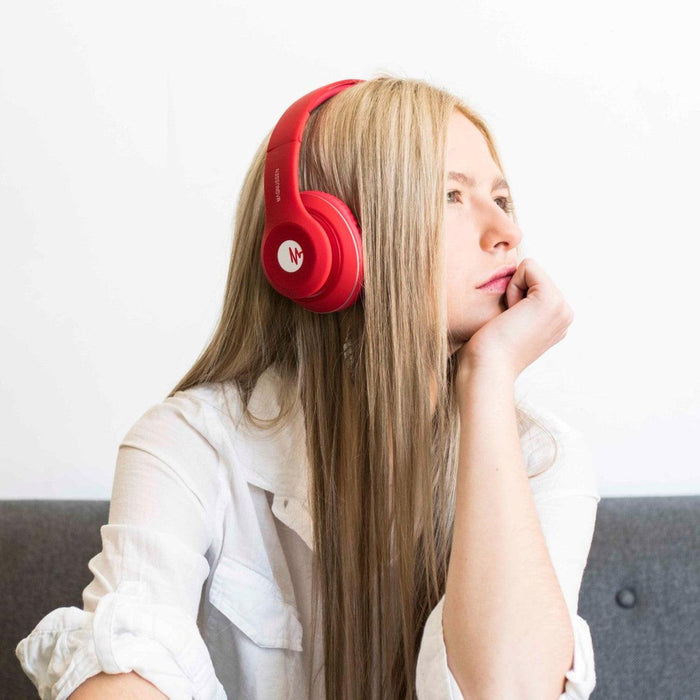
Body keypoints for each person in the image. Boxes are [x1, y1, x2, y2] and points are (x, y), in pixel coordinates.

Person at [15, 75, 601, 699]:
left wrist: (488, 378)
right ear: (324, 244)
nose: (504, 231)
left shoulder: (542, 460)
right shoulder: (191, 443)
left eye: (502, 199)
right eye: (450, 196)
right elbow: (122, 668)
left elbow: (511, 691)